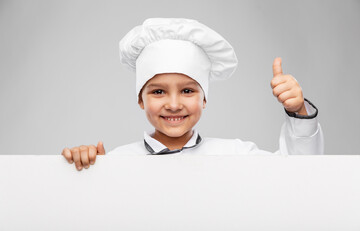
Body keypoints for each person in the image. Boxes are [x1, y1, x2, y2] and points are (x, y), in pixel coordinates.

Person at [62, 18, 324, 171]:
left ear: (204, 98)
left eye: (187, 90)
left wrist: (298, 111)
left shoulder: (235, 155)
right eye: (158, 91)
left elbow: (300, 175)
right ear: (140, 99)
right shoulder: (118, 163)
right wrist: (89, 169)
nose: (174, 104)